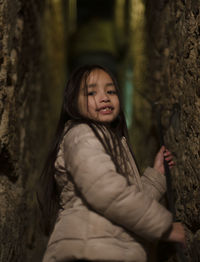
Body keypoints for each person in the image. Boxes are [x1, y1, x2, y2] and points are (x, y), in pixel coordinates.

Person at [39, 65, 185, 262]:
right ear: (73, 102)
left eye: (111, 91)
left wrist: (156, 177)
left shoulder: (113, 142)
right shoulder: (80, 135)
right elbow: (106, 191)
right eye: (91, 92)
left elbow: (125, 203)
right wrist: (165, 228)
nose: (105, 97)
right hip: (88, 252)